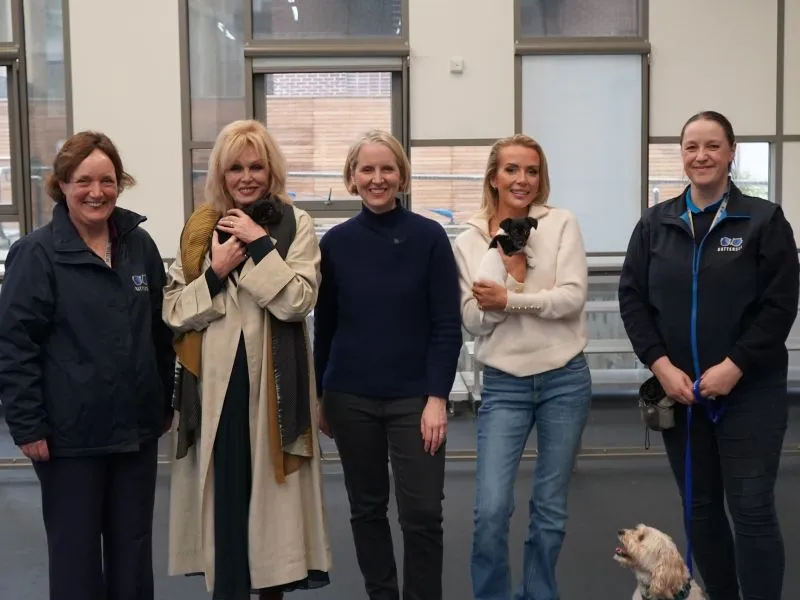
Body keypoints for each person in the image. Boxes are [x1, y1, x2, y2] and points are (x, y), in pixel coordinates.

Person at [618, 110, 799, 600]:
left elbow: (780, 304)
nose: (701, 156)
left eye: (713, 146)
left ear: (731, 152)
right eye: (692, 146)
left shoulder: (763, 220)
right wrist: (662, 366)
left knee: (752, 507)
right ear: (682, 154)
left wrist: (734, 365)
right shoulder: (656, 224)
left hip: (749, 392)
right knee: (699, 507)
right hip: (681, 394)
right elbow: (632, 299)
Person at [0, 131, 176, 600]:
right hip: (68, 439)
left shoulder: (139, 246)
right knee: (76, 559)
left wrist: (163, 403)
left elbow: (161, 334)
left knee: (133, 556)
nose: (96, 192)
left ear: (120, 184)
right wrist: (27, 424)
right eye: (83, 181)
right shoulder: (36, 255)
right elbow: (14, 346)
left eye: (107, 180)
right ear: (62, 185)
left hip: (135, 433)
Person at [163, 119, 331, 600]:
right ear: (221, 172)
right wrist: (215, 273)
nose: (246, 176)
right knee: (226, 498)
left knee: (271, 505)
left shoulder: (294, 224)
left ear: (271, 169)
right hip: (215, 382)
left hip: (274, 384)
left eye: (256, 165)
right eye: (235, 167)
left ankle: (271, 588)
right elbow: (174, 312)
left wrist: (259, 244)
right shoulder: (199, 228)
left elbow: (298, 301)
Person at [313, 129, 462, 600]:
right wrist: (321, 395)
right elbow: (327, 325)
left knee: (422, 513)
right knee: (366, 509)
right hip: (349, 396)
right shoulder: (334, 243)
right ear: (352, 178)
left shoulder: (430, 237)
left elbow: (446, 325)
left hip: (415, 399)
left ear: (402, 176)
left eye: (387, 169)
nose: (377, 179)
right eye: (367, 170)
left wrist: (437, 397)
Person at [452, 134, 591, 600]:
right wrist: (503, 292)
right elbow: (473, 321)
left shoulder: (561, 223)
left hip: (564, 379)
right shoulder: (469, 239)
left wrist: (510, 299)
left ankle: (538, 594)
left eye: (532, 171)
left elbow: (571, 299)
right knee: (491, 509)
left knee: (549, 507)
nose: (522, 180)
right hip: (505, 385)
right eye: (512, 169)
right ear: (494, 177)